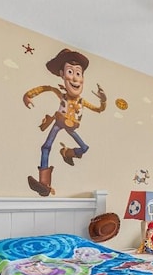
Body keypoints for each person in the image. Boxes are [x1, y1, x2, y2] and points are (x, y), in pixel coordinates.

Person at [23, 48, 106, 196]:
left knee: (84, 148)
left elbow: (99, 109)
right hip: (59, 122)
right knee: (46, 147)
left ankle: (68, 153)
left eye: (78, 73)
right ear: (62, 74)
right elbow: (47, 88)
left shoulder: (82, 101)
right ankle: (44, 185)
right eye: (70, 72)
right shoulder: (62, 96)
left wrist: (103, 99)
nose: (74, 78)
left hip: (71, 126)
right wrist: (29, 95)